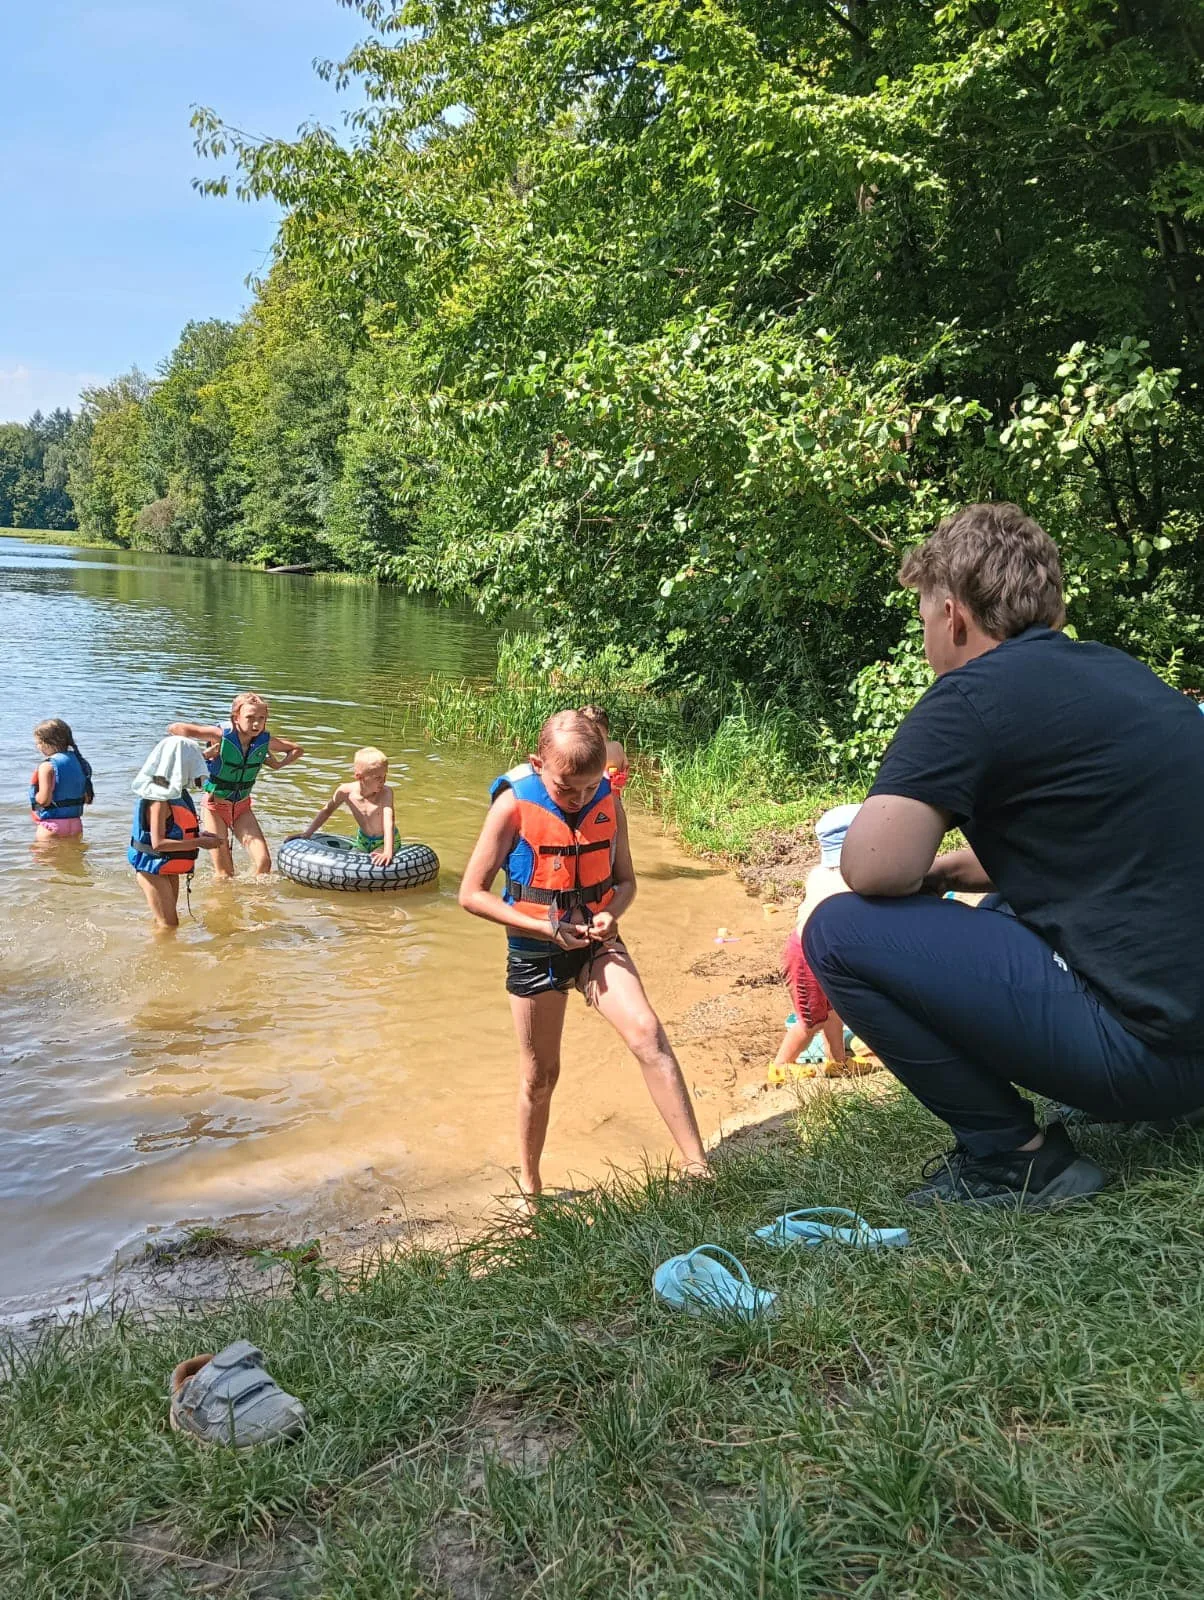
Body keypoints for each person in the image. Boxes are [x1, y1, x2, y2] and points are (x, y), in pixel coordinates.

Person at [804, 502, 1204, 1210]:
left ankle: (1015, 1161)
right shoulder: (1123, 675)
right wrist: (956, 867)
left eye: (926, 619)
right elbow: (1107, 839)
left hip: (1151, 1060)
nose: (928, 637)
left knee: (839, 932)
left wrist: (916, 869)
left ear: (954, 616)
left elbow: (872, 867)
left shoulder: (968, 697)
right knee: (998, 904)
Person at [459, 709, 709, 1204]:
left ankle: (697, 1167)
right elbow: (471, 894)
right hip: (536, 949)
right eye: (565, 788)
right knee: (541, 1075)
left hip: (597, 941)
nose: (578, 798)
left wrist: (612, 913)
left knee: (647, 1034)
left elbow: (626, 882)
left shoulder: (607, 800)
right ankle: (531, 1190)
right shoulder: (512, 806)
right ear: (537, 764)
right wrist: (545, 927)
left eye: (588, 787)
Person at [168, 694, 303, 878]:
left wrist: (278, 765)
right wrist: (199, 755)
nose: (256, 724)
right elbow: (176, 728)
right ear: (235, 718)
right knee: (224, 874)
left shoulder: (264, 741)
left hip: (242, 808)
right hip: (215, 807)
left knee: (264, 863)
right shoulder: (221, 735)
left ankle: (255, 902)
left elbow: (296, 749)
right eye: (250, 718)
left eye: (261, 719)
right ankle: (224, 904)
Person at [769, 805, 858, 1082]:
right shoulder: (844, 883)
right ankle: (780, 1066)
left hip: (817, 951)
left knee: (833, 1010)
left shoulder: (821, 873)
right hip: (807, 957)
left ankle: (838, 1061)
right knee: (811, 1019)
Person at [128, 735, 221, 928]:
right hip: (152, 868)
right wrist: (199, 843)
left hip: (167, 864)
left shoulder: (173, 790)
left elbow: (174, 830)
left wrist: (199, 836)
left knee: (165, 921)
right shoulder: (159, 799)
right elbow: (158, 844)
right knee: (169, 925)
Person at [296, 746, 399, 863]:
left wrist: (387, 851)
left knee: (378, 865)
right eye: (377, 777)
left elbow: (388, 821)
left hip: (385, 840)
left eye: (385, 775)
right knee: (351, 867)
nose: (383, 781)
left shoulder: (386, 793)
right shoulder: (345, 792)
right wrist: (307, 833)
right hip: (363, 841)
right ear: (359, 777)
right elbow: (327, 811)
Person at [29, 718, 94, 841]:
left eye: (38, 742)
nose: (37, 747)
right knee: (74, 859)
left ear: (47, 742)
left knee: (45, 860)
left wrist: (35, 795)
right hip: (75, 825)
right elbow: (87, 798)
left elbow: (44, 801)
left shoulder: (47, 766)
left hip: (51, 827)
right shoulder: (81, 763)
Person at [579, 705, 629, 791]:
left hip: (594, 797)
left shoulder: (583, 751)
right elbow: (626, 769)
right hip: (614, 794)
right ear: (607, 731)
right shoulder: (617, 746)